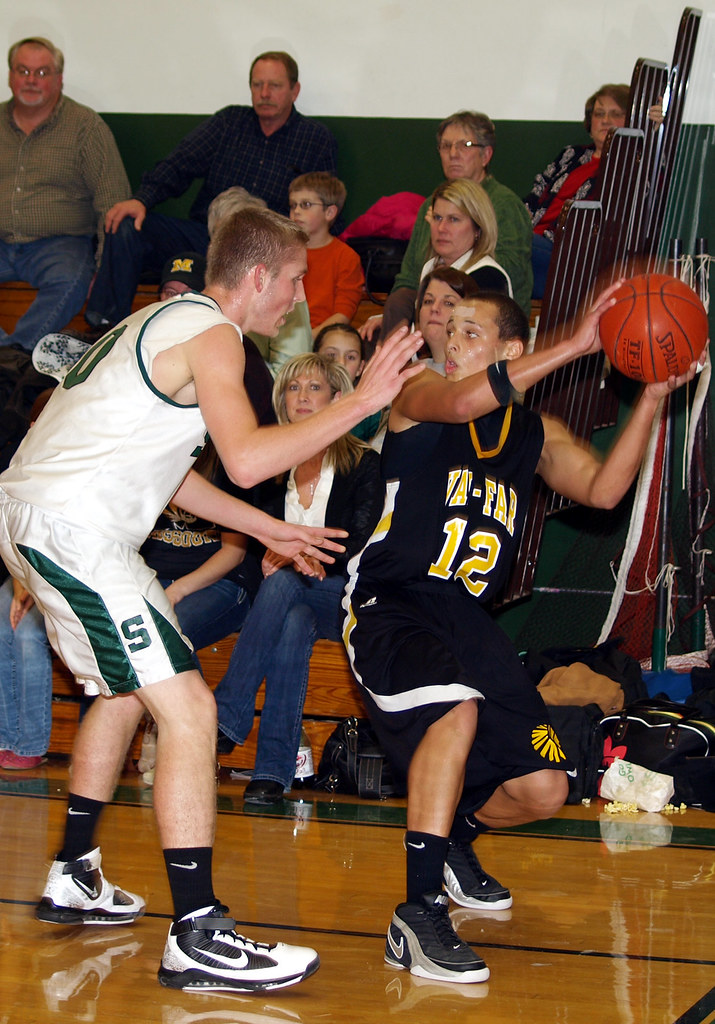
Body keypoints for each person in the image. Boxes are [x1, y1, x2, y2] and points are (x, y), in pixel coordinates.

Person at [0, 206, 422, 994]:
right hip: (75, 529)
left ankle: (75, 871)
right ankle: (196, 931)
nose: (297, 300)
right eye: (293, 281)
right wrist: (359, 403)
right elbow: (247, 454)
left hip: (49, 517)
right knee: (190, 710)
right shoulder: (216, 334)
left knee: (126, 693)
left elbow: (175, 475)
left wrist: (267, 529)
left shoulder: (158, 323)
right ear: (258, 276)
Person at [342, 285, 698, 984]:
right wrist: (573, 344)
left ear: (508, 349)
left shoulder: (533, 435)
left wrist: (652, 398)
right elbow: (468, 400)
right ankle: (415, 916)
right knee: (454, 708)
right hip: (393, 601)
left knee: (544, 788)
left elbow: (601, 490)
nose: (450, 337)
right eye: (449, 326)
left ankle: (453, 842)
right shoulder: (418, 394)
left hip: (470, 622)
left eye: (470, 330)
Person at [214, 354, 383, 802]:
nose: (303, 397)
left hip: (345, 594)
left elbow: (359, 543)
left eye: (314, 388)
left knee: (286, 584)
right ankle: (271, 773)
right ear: (282, 400)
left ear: (338, 398)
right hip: (288, 602)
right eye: (293, 388)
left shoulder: (364, 464)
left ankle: (228, 718)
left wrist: (294, 557)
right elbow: (250, 542)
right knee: (291, 619)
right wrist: (279, 560)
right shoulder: (269, 464)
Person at [83, 51, 337, 332]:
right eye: (257, 85)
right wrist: (142, 199)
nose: (264, 93)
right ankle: (104, 330)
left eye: (274, 85)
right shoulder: (229, 123)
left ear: (295, 90)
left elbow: (319, 206)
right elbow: (180, 163)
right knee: (128, 224)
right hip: (205, 236)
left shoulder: (315, 139)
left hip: (263, 250)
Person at [0, 36, 130, 352]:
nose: (32, 81)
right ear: (10, 76)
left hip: (60, 245)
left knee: (71, 281)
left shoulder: (85, 127)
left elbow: (113, 203)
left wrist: (102, 270)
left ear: (59, 79)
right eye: (23, 71)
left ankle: (14, 356)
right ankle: (9, 361)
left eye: (42, 73)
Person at [370, 110, 533, 339]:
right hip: (430, 307)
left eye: (464, 145)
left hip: (485, 313)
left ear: (486, 155)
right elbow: (409, 275)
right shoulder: (431, 203)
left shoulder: (504, 205)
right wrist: (391, 315)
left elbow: (511, 273)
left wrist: (450, 276)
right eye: (445, 146)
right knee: (395, 304)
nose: (453, 154)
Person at [524, 84, 630, 298]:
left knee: (510, 244)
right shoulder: (571, 154)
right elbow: (537, 191)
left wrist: (653, 129)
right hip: (532, 243)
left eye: (616, 114)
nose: (605, 120)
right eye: (599, 114)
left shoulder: (631, 166)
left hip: (568, 256)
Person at [0, 389, 55, 770]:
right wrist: (21, 577)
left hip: (66, 572)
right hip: (23, 568)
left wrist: (34, 582)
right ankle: (6, 736)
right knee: (2, 622)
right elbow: (8, 528)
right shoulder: (18, 464)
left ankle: (31, 742)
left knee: (29, 634)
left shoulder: (83, 463)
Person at [288, 172, 365, 337]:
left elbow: (343, 315)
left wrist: (309, 339)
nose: (297, 211)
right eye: (293, 205)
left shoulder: (346, 257)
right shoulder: (283, 252)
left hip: (323, 340)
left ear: (330, 212)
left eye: (306, 204)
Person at [313, 323, 383, 443]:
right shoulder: (301, 400)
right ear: (313, 360)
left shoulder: (370, 411)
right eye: (331, 355)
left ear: (360, 368)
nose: (340, 363)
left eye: (350, 357)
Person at [414, 266, 480, 373]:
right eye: (428, 301)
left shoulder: (479, 379)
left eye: (448, 303)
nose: (434, 308)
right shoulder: (411, 373)